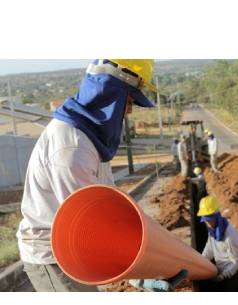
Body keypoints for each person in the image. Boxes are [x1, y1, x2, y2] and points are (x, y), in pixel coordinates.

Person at [16, 59, 156, 292]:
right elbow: (91, 224)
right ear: (110, 96)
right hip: (54, 257)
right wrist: (140, 271)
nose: (130, 110)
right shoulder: (72, 149)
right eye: (129, 100)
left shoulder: (88, 136)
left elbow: (108, 201)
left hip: (72, 250)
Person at [197, 195, 238, 291]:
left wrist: (223, 276)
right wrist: (201, 260)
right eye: (205, 220)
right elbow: (210, 247)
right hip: (221, 271)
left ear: (216, 217)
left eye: (208, 220)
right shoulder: (213, 229)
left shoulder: (230, 237)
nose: (206, 223)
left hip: (233, 275)